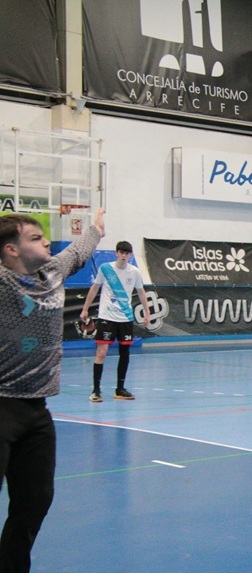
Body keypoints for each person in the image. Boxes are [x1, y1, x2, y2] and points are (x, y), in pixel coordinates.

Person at [0, 208, 105, 572]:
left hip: (36, 411)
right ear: (11, 250)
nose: (46, 241)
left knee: (35, 501)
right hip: (1, 406)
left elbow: (75, 254)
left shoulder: (51, 274)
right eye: (34, 237)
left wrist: (94, 230)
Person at [80, 241, 150, 402]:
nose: (124, 256)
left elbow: (141, 292)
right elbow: (94, 288)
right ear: (116, 253)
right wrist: (85, 309)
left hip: (125, 318)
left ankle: (120, 389)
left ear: (130, 255)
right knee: (102, 352)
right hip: (107, 318)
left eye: (127, 253)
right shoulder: (106, 269)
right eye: (121, 252)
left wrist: (147, 312)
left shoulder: (135, 272)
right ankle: (96, 390)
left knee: (124, 354)